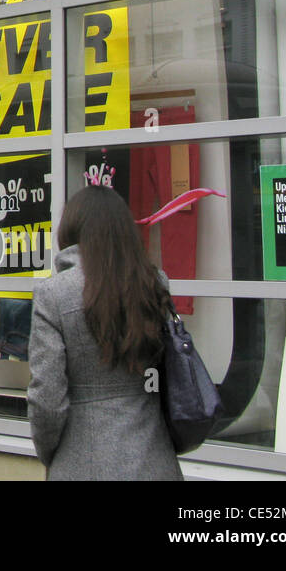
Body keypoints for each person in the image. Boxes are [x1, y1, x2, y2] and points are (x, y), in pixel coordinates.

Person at [27, 185, 181, 481]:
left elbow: (46, 398)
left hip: (82, 461)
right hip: (155, 457)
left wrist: (54, 455)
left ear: (70, 229)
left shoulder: (54, 294)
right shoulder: (154, 282)